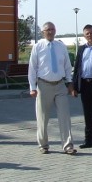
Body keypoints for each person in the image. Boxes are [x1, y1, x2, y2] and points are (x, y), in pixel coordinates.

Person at [28, 22, 76, 155]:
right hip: (44, 85)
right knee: (42, 118)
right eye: (47, 30)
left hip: (60, 85)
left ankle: (67, 145)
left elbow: (67, 65)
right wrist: (32, 87)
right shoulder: (38, 47)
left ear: (55, 31)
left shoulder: (61, 46)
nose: (50, 32)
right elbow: (32, 68)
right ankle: (43, 145)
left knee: (64, 116)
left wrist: (69, 82)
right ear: (43, 32)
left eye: (52, 29)